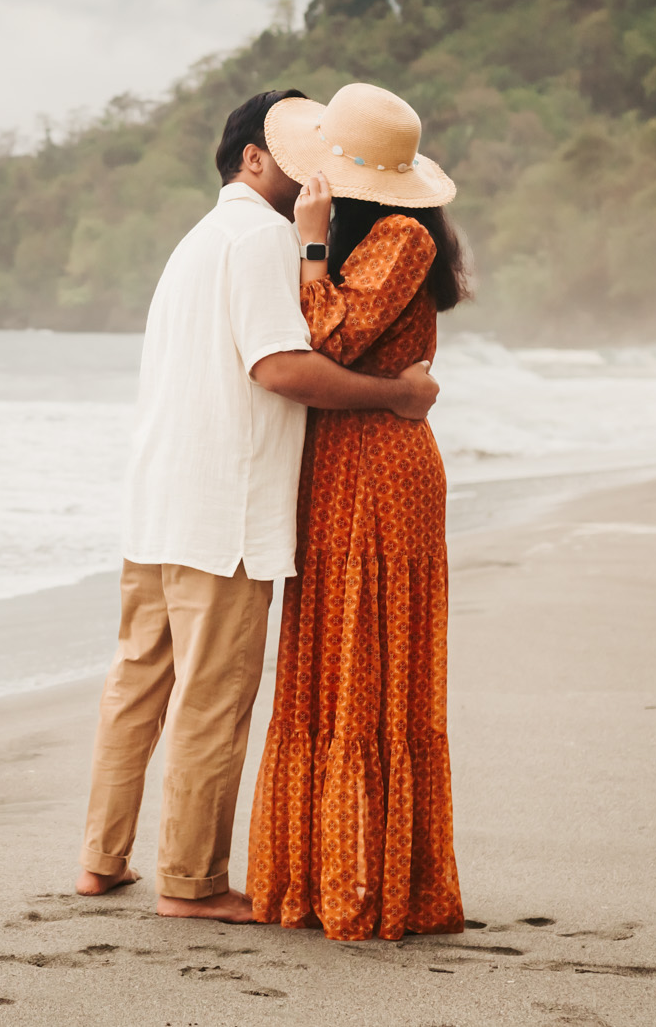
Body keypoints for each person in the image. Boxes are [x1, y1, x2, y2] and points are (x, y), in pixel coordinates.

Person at [76, 88, 441, 923]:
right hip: (225, 510)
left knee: (136, 687)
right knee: (213, 698)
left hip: (158, 500)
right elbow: (282, 367)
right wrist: (392, 396)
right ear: (251, 159)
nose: (317, 170)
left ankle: (101, 860)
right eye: (297, 153)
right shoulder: (263, 242)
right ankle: (191, 883)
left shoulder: (196, 241)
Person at [247, 82, 471, 940]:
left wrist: (308, 246)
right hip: (345, 457)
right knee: (332, 661)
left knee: (363, 666)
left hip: (380, 468)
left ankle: (366, 881)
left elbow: (328, 337)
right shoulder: (372, 235)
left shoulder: (401, 235)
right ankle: (318, 873)